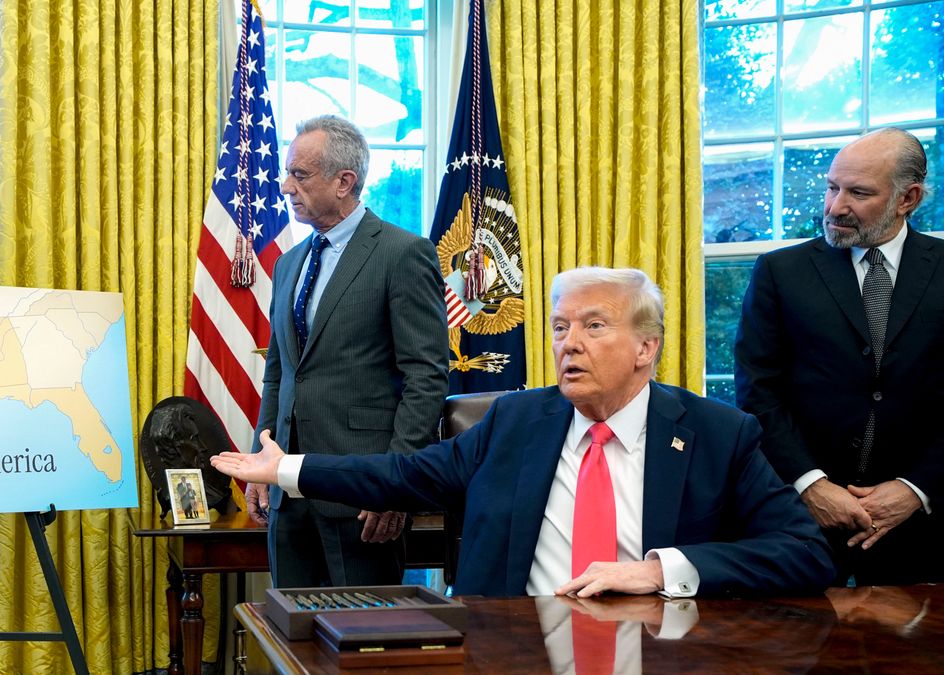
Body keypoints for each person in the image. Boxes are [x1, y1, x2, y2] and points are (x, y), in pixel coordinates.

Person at [219, 267, 834, 596]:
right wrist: (285, 470)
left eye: (594, 326)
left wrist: (658, 571)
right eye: (561, 326)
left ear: (648, 347)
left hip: (657, 649)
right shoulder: (515, 420)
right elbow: (406, 474)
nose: (569, 344)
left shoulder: (717, 434)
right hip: (513, 646)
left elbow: (805, 553)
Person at [734, 128, 941, 585]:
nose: (835, 207)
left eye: (858, 193)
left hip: (925, 529)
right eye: (832, 187)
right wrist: (811, 484)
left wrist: (915, 489)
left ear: (907, 198)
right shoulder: (780, 272)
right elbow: (756, 391)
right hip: (799, 523)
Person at [249, 114, 449, 587]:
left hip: (363, 498)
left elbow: (426, 377)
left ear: (345, 182)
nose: (284, 185)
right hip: (288, 494)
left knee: (362, 645)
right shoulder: (289, 264)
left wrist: (394, 485)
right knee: (292, 643)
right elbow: (278, 375)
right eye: (285, 172)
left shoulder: (403, 254)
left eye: (299, 174)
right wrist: (263, 463)